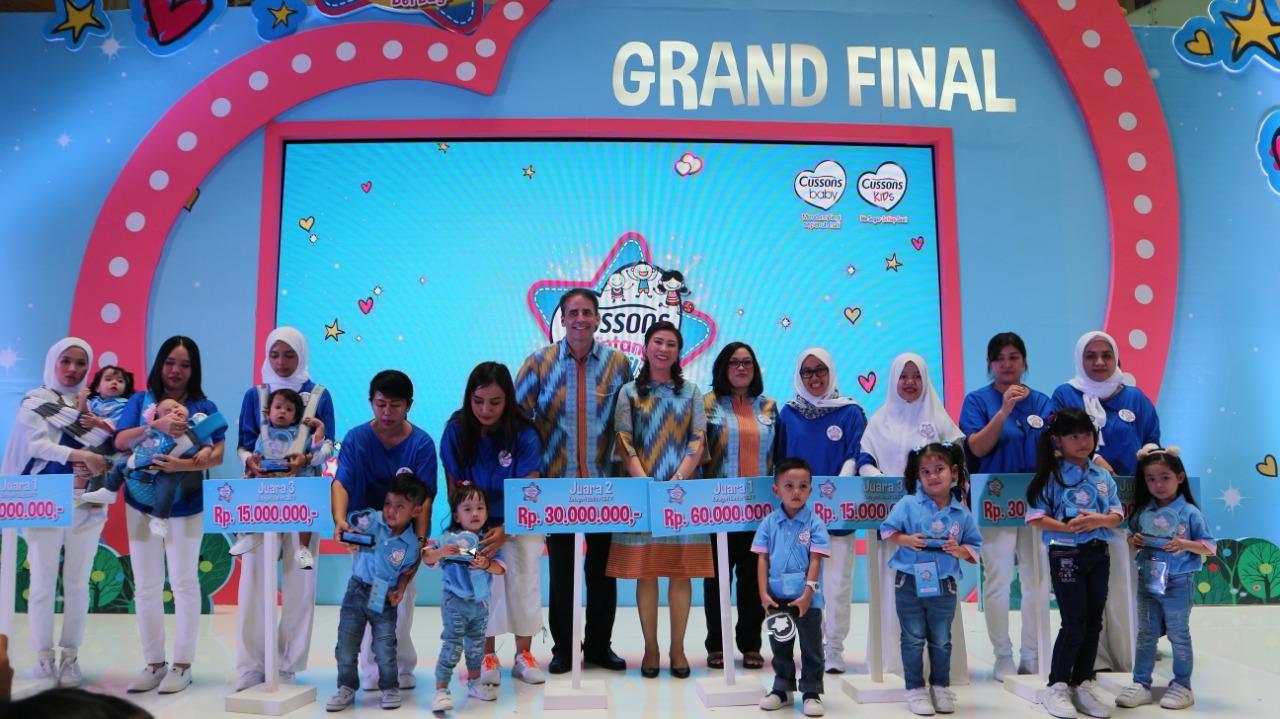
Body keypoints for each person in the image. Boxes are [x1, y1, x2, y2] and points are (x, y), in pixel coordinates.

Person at [514, 288, 633, 674]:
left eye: (587, 312)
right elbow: (517, 419)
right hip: (557, 488)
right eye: (573, 313)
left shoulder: (619, 364)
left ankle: (598, 647)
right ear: (562, 319)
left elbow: (628, 421)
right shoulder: (538, 363)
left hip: (605, 488)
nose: (580, 319)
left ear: (598, 318)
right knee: (563, 573)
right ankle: (564, 649)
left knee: (602, 573)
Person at [111, 336, 226, 695]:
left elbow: (218, 454)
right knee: (146, 585)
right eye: (170, 362)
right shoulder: (140, 401)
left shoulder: (204, 406)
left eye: (185, 365)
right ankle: (154, 663)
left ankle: (182, 665)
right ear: (160, 364)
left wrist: (182, 465)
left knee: (184, 583)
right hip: (139, 503)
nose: (176, 370)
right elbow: (120, 441)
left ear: (194, 370)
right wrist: (153, 427)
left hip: (186, 504)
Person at [0, 338, 111, 688]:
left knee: (78, 584)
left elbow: (109, 449)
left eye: (81, 363)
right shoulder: (36, 400)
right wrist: (80, 455)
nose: (72, 369)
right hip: (44, 497)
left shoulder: (96, 408)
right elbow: (34, 445)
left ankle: (70, 656)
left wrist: (100, 445)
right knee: (42, 583)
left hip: (85, 500)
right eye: (66, 361)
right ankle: (44, 658)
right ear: (53, 362)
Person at [232, 326, 337, 690]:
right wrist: (250, 461)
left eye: (289, 355)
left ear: (301, 355)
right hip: (261, 495)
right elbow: (243, 444)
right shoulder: (254, 394)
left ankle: (288, 665)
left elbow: (331, 444)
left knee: (301, 579)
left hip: (304, 494)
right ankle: (251, 666)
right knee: (253, 578)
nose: (281, 362)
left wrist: (307, 458)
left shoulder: (319, 395)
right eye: (275, 354)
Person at [1052, 331, 1160, 674]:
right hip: (1081, 507)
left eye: (1106, 355)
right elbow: (1056, 441)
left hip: (1126, 506)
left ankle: (1129, 652)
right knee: (1089, 586)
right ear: (1079, 359)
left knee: (1125, 579)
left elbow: (1151, 441)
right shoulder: (1066, 394)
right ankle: (1092, 659)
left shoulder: (1135, 398)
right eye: (1090, 356)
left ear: (1116, 359)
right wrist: (1095, 461)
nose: (1099, 362)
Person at [608, 320, 710, 678]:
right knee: (646, 573)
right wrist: (646, 484)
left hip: (684, 494)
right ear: (646, 347)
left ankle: (677, 649)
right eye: (658, 342)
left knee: (681, 574)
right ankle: (650, 649)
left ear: (679, 352)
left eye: (671, 344)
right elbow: (623, 439)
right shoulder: (629, 393)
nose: (663, 349)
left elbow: (698, 438)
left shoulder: (692, 392)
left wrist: (677, 481)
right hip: (643, 493)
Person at [859, 353, 966, 682]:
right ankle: (895, 664)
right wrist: (882, 482)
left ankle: (939, 670)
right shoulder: (880, 420)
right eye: (903, 376)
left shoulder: (939, 419)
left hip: (935, 527)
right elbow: (865, 459)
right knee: (895, 590)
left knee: (938, 594)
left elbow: (958, 466)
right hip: (895, 527)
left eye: (916, 376)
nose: (909, 382)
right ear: (894, 380)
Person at [439, 362, 544, 688]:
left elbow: (530, 491)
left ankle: (524, 655)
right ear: (468, 398)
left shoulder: (524, 433)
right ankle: (485, 654)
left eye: (495, 402)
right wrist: (470, 530)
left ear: (508, 399)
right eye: (478, 401)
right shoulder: (456, 431)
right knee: (480, 590)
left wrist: (508, 529)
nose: (486, 410)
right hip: (474, 522)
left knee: (524, 584)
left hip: (519, 521)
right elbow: (455, 488)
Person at [332, 369, 437, 691]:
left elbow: (426, 500)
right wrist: (340, 520)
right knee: (368, 600)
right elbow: (341, 481)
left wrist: (419, 545)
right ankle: (371, 669)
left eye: (395, 405)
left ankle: (401, 666)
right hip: (367, 539)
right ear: (371, 402)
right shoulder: (356, 439)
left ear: (409, 405)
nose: (387, 412)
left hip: (403, 542)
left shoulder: (421, 444)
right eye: (380, 404)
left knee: (400, 600)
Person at [960, 332, 1055, 679]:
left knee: (1037, 580)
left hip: (1038, 500)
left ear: (1024, 361)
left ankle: (1032, 654)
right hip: (995, 501)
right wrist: (1004, 411)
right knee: (997, 580)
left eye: (1013, 357)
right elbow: (977, 448)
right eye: (999, 358)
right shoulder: (977, 401)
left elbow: (1055, 448)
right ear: (990, 364)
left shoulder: (1043, 403)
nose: (1006, 364)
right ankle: (1002, 656)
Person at [1025, 408, 1123, 719]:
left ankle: (1082, 683)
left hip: (1098, 553)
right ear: (1058, 440)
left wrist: (1099, 520)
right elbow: (1035, 517)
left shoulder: (1102, 476)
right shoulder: (1051, 476)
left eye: (1087, 435)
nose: (1082, 442)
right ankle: (1057, 685)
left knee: (1094, 621)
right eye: (1074, 436)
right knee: (1074, 621)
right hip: (1065, 553)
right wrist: (1067, 528)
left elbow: (1117, 514)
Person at [774, 347, 867, 673]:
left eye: (820, 370)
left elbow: (857, 454)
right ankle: (808, 650)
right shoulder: (788, 413)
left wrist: (838, 489)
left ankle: (834, 649)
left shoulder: (850, 411)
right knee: (801, 586)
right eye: (807, 371)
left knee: (838, 586)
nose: (814, 378)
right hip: (797, 518)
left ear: (831, 371)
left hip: (838, 516)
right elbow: (781, 461)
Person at [881, 442, 982, 716]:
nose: (933, 476)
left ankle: (940, 686)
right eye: (925, 471)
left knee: (941, 639)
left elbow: (974, 549)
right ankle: (915, 688)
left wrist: (959, 550)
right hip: (909, 581)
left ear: (953, 472)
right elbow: (887, 531)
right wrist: (907, 540)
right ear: (917, 476)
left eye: (939, 469)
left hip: (945, 584)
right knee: (912, 638)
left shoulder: (961, 512)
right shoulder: (908, 504)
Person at [1115, 445, 1213, 711]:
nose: (1158, 485)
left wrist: (1185, 544)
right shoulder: (1143, 511)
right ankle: (1141, 684)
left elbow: (1209, 546)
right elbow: (1131, 537)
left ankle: (1182, 685)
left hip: (1178, 582)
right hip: (1148, 580)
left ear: (1179, 478)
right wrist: (1134, 540)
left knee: (1178, 634)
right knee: (1145, 634)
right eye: (1151, 479)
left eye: (1165, 477)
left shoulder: (1190, 513)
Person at [701, 342, 774, 671]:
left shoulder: (769, 407)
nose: (741, 368)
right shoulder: (707, 405)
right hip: (716, 512)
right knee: (716, 581)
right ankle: (717, 645)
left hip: (759, 514)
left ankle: (750, 645)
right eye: (734, 362)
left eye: (747, 362)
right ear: (723, 367)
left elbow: (780, 457)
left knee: (752, 581)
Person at [326, 471, 426, 712]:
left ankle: (390, 687)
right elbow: (353, 523)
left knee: (385, 646)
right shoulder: (372, 520)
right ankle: (346, 687)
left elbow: (406, 572)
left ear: (416, 511)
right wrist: (351, 530)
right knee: (346, 643)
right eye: (388, 503)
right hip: (357, 590)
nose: (391, 511)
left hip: (384, 594)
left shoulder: (411, 545)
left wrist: (400, 588)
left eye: (400, 506)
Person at [80, 399, 223, 538]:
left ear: (185, 408)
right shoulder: (157, 430)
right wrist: (142, 440)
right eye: (168, 411)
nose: (174, 410)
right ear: (161, 420)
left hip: (171, 467)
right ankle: (110, 491)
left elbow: (207, 442)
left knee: (166, 485)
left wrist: (205, 451)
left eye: (176, 406)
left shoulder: (194, 427)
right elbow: (135, 443)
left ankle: (160, 519)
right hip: (147, 460)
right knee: (121, 463)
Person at [753, 458, 829, 717]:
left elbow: (816, 560)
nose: (796, 491)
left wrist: (807, 594)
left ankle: (811, 691)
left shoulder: (815, 524)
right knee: (780, 646)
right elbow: (762, 559)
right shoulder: (769, 523)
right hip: (777, 599)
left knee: (812, 647)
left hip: (808, 600)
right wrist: (764, 594)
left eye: (803, 486)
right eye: (789, 486)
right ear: (776, 490)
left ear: (811, 489)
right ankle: (782, 689)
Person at [423, 485, 508, 712]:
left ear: (487, 512)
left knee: (477, 648)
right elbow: (427, 557)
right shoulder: (448, 539)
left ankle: (475, 682)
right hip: (455, 603)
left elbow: (501, 569)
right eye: (467, 509)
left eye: (480, 508)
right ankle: (441, 690)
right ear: (456, 515)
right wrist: (442, 552)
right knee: (452, 645)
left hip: (480, 605)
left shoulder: (489, 541)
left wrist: (486, 564)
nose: (475, 513)